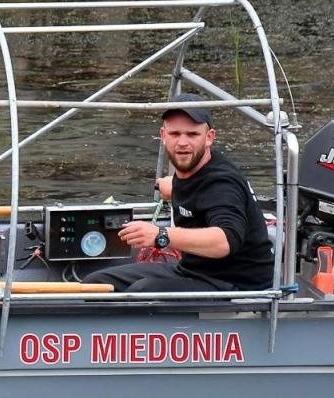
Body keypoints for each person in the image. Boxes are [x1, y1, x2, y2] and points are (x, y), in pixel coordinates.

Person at [85, 94, 273, 293]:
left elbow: (224, 241)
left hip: (237, 285)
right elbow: (197, 194)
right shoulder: (192, 172)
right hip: (192, 271)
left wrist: (160, 234)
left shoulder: (221, 183)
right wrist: (174, 188)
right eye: (175, 134)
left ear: (209, 137)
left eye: (192, 134)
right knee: (97, 284)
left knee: (143, 291)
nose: (182, 142)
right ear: (163, 135)